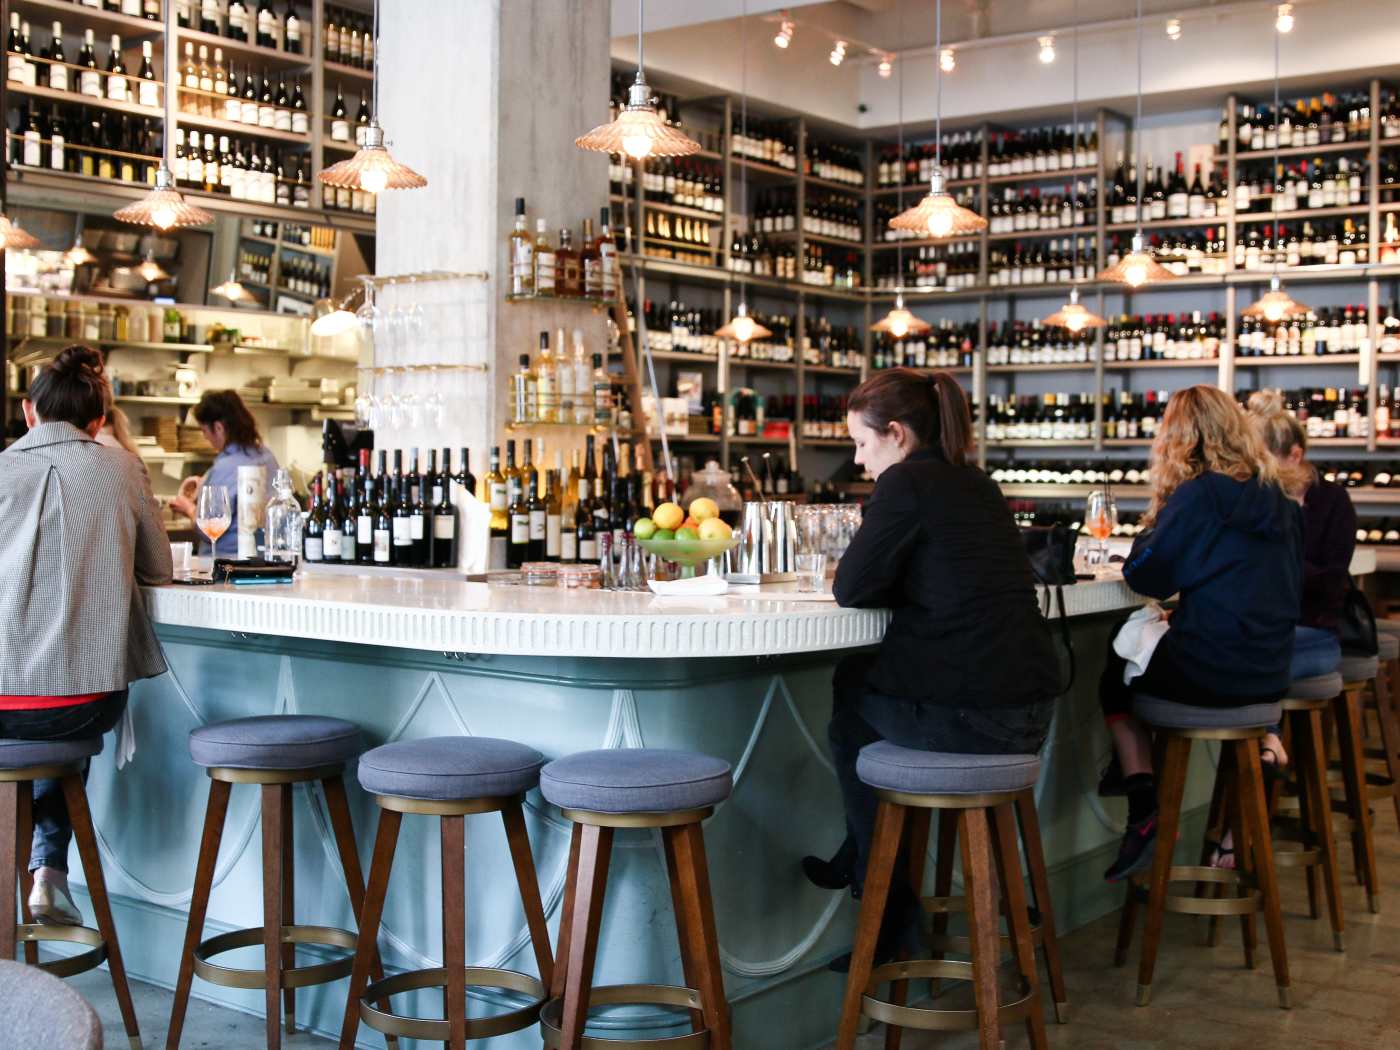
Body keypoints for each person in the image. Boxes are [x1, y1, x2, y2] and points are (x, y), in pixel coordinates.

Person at [811, 368, 1059, 966]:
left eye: (862, 443)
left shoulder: (905, 483)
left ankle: (883, 898)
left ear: (896, 434)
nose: (857, 459)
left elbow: (852, 588)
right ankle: (862, 856)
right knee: (859, 685)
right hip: (1031, 710)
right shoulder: (977, 481)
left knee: (850, 692)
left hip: (979, 719)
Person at [1099, 385, 1302, 882]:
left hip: (1207, 673)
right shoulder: (1279, 497)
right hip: (1270, 676)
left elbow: (1146, 577)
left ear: (1178, 439)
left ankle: (1143, 806)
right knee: (1147, 648)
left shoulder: (1199, 494)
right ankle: (1262, 747)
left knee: (1117, 665)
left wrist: (1155, 524)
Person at [0, 346, 173, 924]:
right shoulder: (122, 468)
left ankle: (30, 873)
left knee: (24, 729)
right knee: (60, 719)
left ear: (29, 412)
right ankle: (48, 873)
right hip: (84, 704)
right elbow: (158, 570)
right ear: (98, 421)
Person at [169, 390, 279, 556]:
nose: (206, 438)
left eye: (205, 431)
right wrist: (206, 482)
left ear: (219, 428)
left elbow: (207, 528)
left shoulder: (226, 466)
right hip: (263, 556)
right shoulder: (266, 455)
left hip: (226, 559)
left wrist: (189, 508)